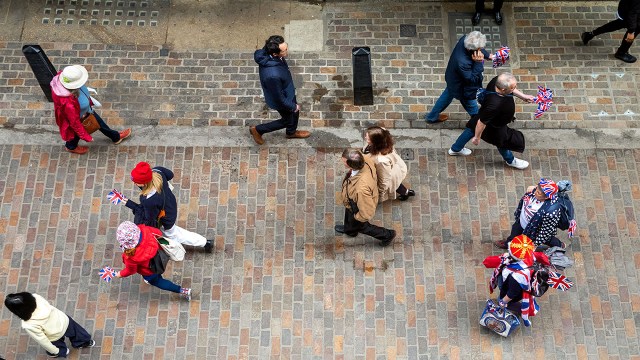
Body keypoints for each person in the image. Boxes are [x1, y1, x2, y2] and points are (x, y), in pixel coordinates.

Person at [447, 72, 535, 170]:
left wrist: (523, 96)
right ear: (503, 90)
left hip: (488, 116)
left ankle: (455, 149)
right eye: (513, 88)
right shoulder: (494, 105)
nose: (515, 89)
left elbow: (510, 89)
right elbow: (481, 123)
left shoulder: (497, 81)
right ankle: (510, 160)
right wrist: (477, 137)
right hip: (495, 125)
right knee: (501, 142)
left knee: (471, 128)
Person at [123, 162, 213, 252]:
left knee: (173, 234)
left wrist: (129, 203)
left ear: (144, 183)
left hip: (165, 218)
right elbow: (170, 174)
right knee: (165, 234)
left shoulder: (148, 200)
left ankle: (203, 243)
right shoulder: (157, 172)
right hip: (170, 205)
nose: (135, 183)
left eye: (137, 182)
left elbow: (149, 217)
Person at [50, 65, 131, 154]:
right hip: (81, 115)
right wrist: (86, 136)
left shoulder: (65, 78)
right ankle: (71, 146)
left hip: (85, 111)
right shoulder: (68, 104)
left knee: (98, 122)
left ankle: (115, 137)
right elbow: (74, 122)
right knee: (77, 131)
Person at [249, 35, 310, 145]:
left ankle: (291, 132)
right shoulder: (272, 75)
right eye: (284, 50)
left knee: (294, 113)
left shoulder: (269, 51)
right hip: (281, 97)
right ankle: (258, 130)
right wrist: (292, 106)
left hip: (287, 89)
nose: (287, 51)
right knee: (288, 120)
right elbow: (278, 98)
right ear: (275, 54)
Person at [113, 221, 192, 301]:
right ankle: (183, 290)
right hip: (160, 257)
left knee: (157, 281)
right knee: (158, 278)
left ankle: (182, 290)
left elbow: (131, 270)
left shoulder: (130, 257)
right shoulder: (145, 230)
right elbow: (158, 234)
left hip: (149, 271)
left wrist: (120, 274)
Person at [424, 31, 493, 123]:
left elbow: (477, 47)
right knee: (472, 107)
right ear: (470, 50)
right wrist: (479, 63)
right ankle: (477, 124)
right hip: (464, 88)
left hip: (453, 80)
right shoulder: (462, 62)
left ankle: (431, 117)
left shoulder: (466, 39)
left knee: (447, 95)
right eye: (480, 49)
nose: (481, 49)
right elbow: (471, 79)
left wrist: (487, 55)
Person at [334, 148, 396, 246]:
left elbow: (367, 212)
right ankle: (350, 230)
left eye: (344, 162)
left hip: (359, 206)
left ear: (351, 165)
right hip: (353, 199)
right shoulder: (364, 159)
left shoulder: (361, 189)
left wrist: (357, 217)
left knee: (362, 226)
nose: (343, 163)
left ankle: (387, 235)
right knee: (349, 215)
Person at [483, 235, 549, 326]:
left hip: (513, 286)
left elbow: (512, 293)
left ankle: (521, 310)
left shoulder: (518, 276)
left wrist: (503, 302)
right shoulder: (529, 256)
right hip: (515, 282)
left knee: (506, 301)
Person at [4, 292, 95, 358]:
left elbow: (42, 340)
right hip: (64, 320)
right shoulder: (36, 297)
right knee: (77, 332)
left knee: (55, 346)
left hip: (53, 336)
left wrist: (55, 351)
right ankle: (84, 342)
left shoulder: (28, 324)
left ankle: (63, 351)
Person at [494, 178, 567, 249]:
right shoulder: (534, 191)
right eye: (537, 188)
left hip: (534, 230)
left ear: (546, 197)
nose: (535, 192)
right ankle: (508, 243)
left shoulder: (551, 212)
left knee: (548, 239)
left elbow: (545, 232)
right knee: (515, 232)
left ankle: (559, 245)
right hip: (521, 222)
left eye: (538, 192)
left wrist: (535, 244)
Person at [362, 126, 415, 201]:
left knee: (394, 184)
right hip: (392, 169)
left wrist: (379, 194)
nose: (365, 138)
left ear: (375, 142)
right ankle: (406, 192)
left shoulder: (381, 160)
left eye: (368, 138)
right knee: (396, 184)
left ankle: (406, 193)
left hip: (390, 174)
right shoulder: (383, 135)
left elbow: (384, 180)